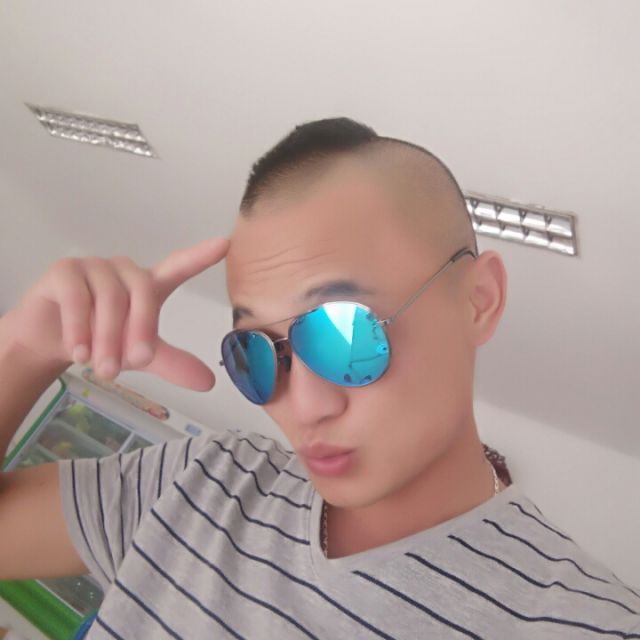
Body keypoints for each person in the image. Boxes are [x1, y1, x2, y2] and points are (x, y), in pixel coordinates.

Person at [0, 118, 638, 639]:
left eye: (343, 333)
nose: (304, 406)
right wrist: (23, 350)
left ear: (478, 300)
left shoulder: (582, 621)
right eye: (255, 352)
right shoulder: (199, 482)